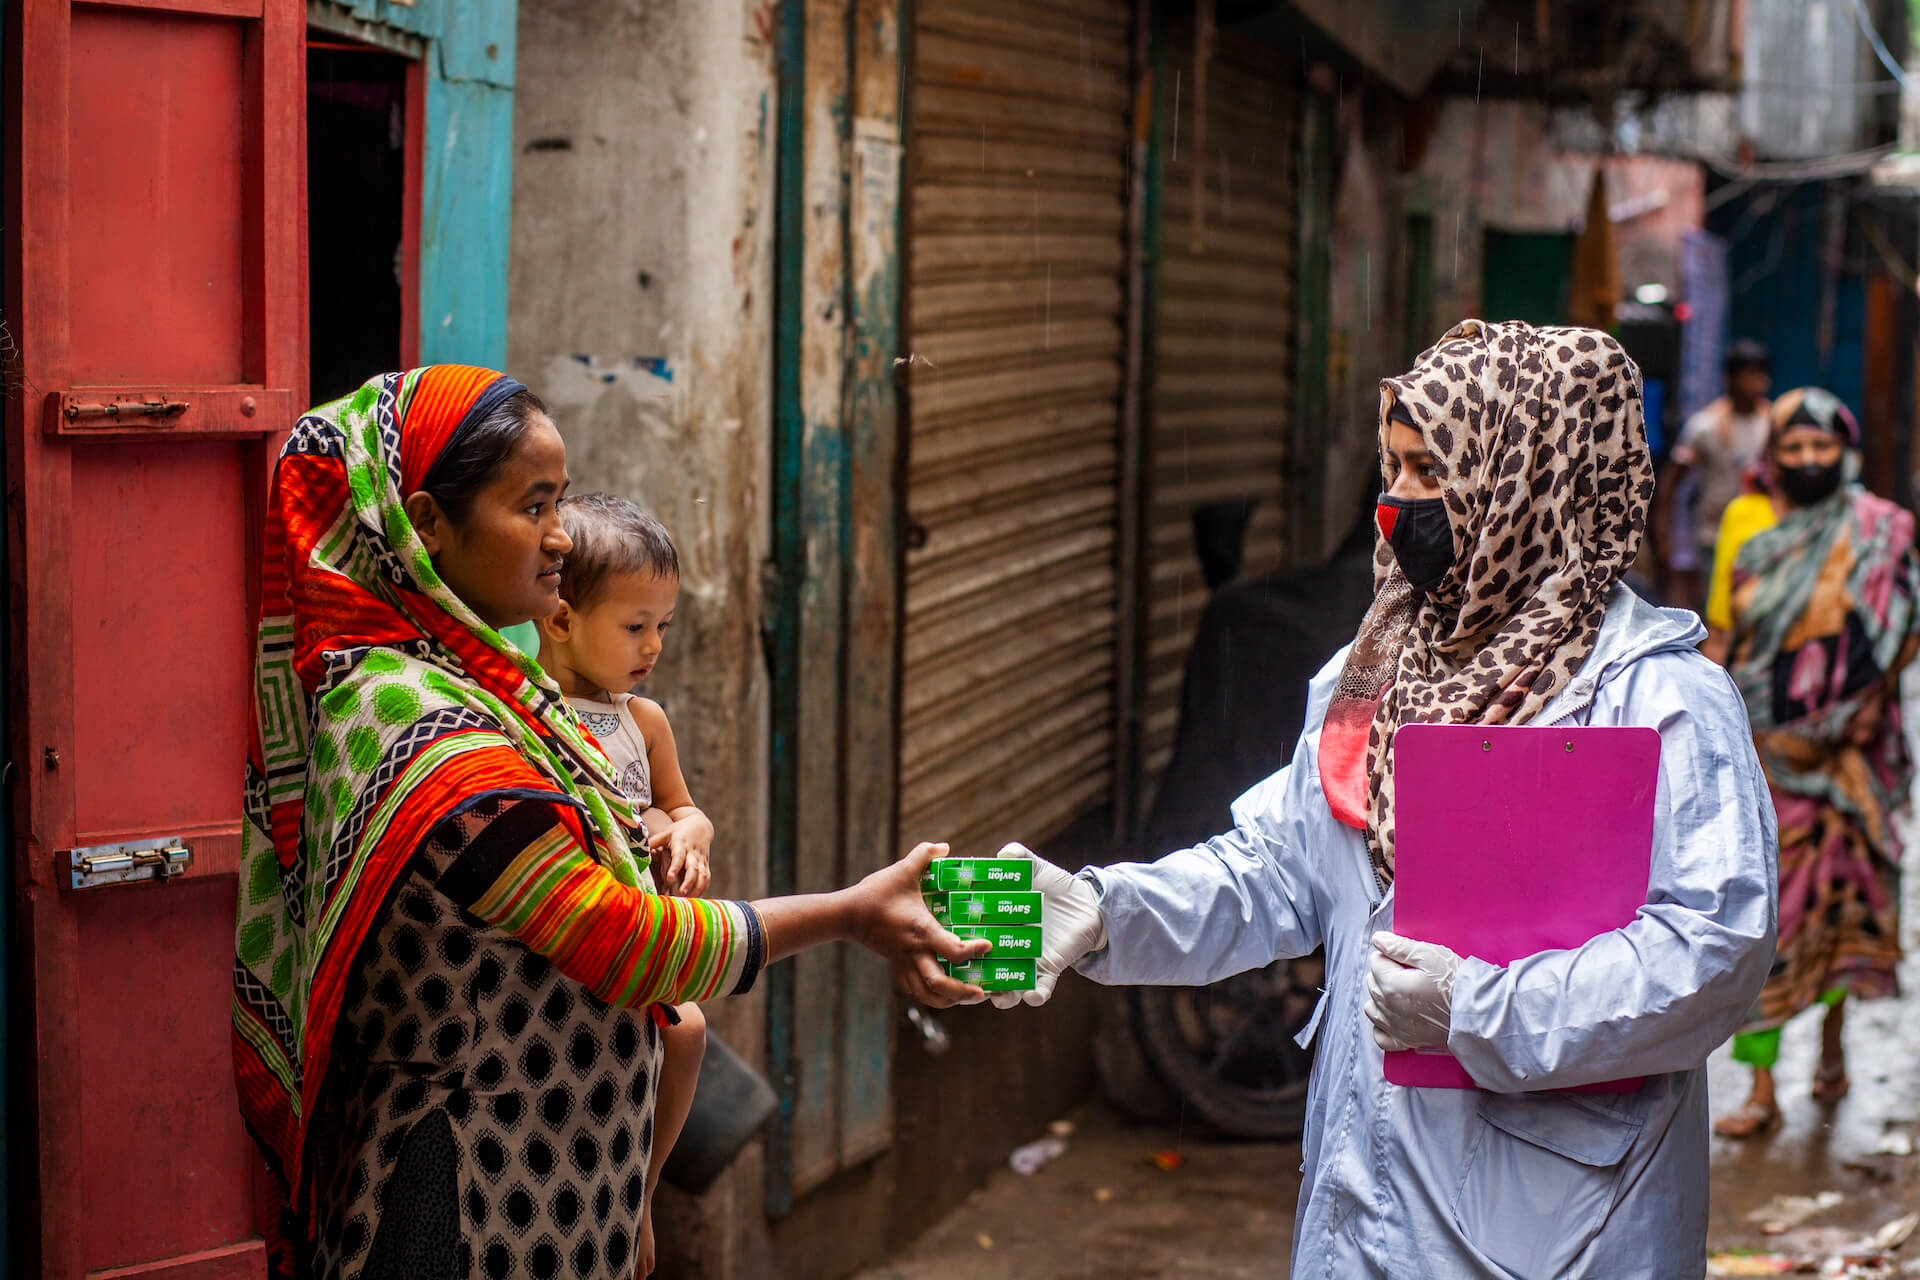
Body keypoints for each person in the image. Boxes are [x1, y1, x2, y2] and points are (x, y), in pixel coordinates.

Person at [930, 321, 1780, 1277]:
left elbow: (1712, 952)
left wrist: (1481, 1009)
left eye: (1431, 476)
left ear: (1529, 482)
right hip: (1364, 1212)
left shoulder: (1659, 702)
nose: (1395, 506)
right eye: (1396, 470)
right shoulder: (1374, 673)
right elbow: (1274, 877)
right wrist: (1104, 912)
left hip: (1569, 1227)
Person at [232, 366, 988, 1280]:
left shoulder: (481, 690)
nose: (559, 538)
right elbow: (631, 946)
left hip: (550, 1194)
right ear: (426, 524)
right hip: (459, 1204)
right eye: (533, 505)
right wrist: (852, 912)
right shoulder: (421, 729)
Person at [1702, 387, 1918, 1139]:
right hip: (1770, 756)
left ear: (1845, 449)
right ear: (1771, 457)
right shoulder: (1747, 523)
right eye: (1793, 449)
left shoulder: (1880, 531)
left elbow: (1903, 623)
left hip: (1852, 755)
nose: (1807, 460)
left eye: (1821, 447)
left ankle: (1832, 1055)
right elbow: (1726, 635)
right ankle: (1761, 1084)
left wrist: (1866, 704)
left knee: (1840, 906)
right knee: (1768, 921)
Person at [532, 491, 712, 1273]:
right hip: (565, 948)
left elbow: (683, 808)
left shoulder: (644, 722)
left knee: (690, 1031)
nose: (653, 647)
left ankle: (639, 1193)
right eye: (635, 627)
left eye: (662, 627)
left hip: (640, 941)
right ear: (561, 619)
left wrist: (689, 836)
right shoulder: (525, 714)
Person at [1655, 339, 1772, 610]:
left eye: (1761, 374)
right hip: (1714, 535)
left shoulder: (1772, 422)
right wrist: (1664, 538)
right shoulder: (1705, 426)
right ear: (1730, 378)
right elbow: (1672, 480)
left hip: (1761, 533)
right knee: (1717, 607)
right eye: (1748, 374)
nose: (1756, 383)